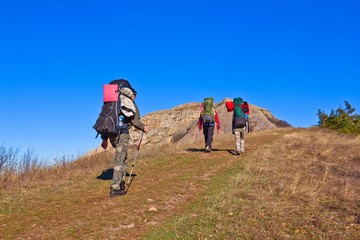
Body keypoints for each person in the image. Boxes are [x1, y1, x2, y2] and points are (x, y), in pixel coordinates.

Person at [100, 87, 149, 197]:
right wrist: (143, 127)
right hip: (122, 133)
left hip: (112, 135)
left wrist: (104, 139)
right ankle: (115, 187)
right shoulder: (129, 102)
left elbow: (107, 122)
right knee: (120, 159)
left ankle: (121, 182)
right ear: (133, 94)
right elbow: (135, 120)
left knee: (123, 158)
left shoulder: (113, 103)